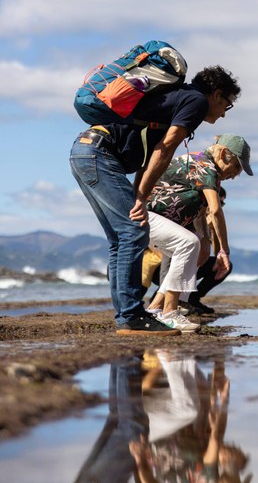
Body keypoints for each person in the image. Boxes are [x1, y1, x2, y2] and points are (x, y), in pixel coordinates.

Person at [70, 63, 240, 336]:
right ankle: (131, 317)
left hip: (87, 151)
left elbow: (148, 159)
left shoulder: (178, 100)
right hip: (99, 154)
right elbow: (165, 148)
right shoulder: (195, 101)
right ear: (217, 94)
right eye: (227, 106)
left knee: (122, 236)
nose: (222, 115)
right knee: (133, 231)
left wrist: (141, 195)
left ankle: (129, 316)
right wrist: (139, 197)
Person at [145, 134, 253, 332]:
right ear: (223, 153)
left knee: (196, 247)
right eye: (237, 166)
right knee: (188, 243)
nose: (237, 174)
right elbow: (215, 209)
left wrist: (205, 240)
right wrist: (223, 252)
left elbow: (201, 211)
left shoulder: (208, 170)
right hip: (145, 217)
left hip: (163, 221)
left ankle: (155, 308)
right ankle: (169, 312)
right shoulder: (204, 165)